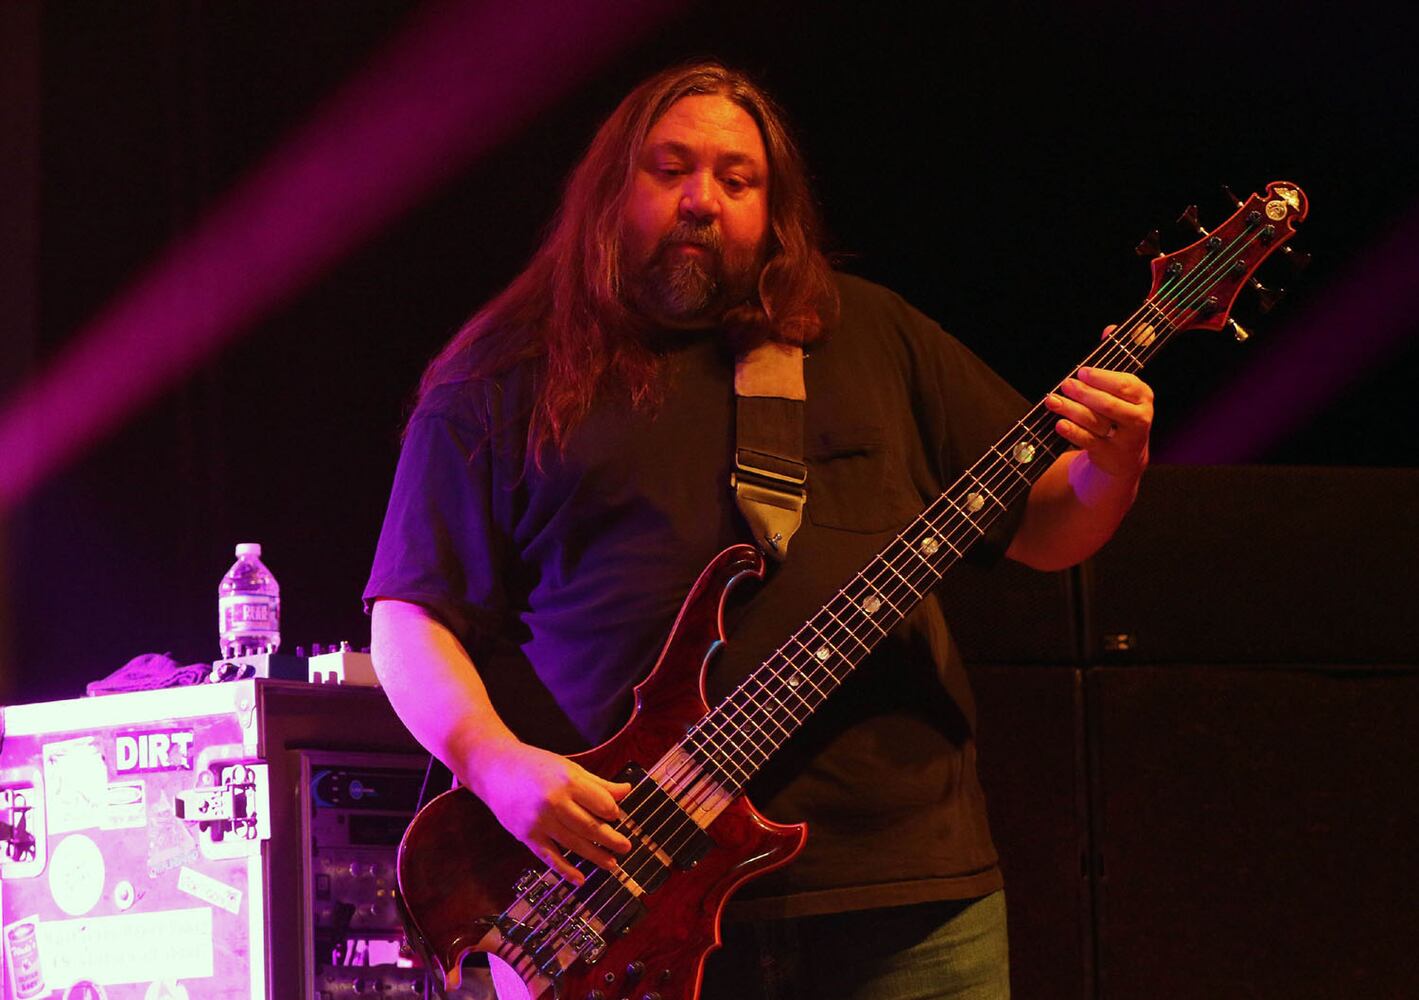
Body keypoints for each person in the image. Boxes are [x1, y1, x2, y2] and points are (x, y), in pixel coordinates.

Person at [365, 61, 1152, 999]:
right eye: (670, 170)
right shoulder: (503, 374)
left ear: (773, 210)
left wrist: (1113, 466)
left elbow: (1046, 532)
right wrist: (497, 767)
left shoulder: (873, 333)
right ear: (609, 188)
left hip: (903, 889)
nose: (703, 200)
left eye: (737, 180)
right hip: (621, 898)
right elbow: (410, 617)